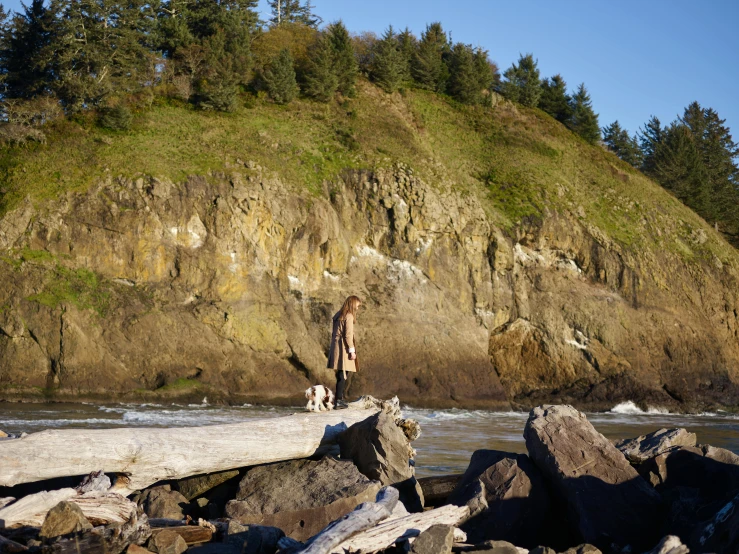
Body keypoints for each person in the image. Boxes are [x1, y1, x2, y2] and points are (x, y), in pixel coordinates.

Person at [328, 295, 361, 409]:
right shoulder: (349, 316)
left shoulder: (338, 314)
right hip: (344, 347)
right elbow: (348, 335)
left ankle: (338, 399)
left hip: (336, 345)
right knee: (343, 374)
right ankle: (339, 401)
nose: (358, 307)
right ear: (352, 304)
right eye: (357, 305)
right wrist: (352, 351)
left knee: (341, 374)